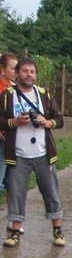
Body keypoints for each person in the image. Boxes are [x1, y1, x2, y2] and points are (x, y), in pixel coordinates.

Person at [0, 57, 65, 247]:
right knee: (17, 193)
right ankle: (15, 232)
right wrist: (14, 122)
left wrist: (48, 122)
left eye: (32, 72)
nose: (29, 75)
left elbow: (59, 119)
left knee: (51, 192)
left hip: (43, 153)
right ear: (18, 73)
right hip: (18, 154)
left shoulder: (43, 94)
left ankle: (58, 230)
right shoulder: (7, 95)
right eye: (25, 71)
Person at [0, 52, 18, 210]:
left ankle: (13, 219)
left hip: (12, 141)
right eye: (13, 68)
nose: (16, 72)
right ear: (2, 69)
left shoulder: (14, 90)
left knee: (11, 183)